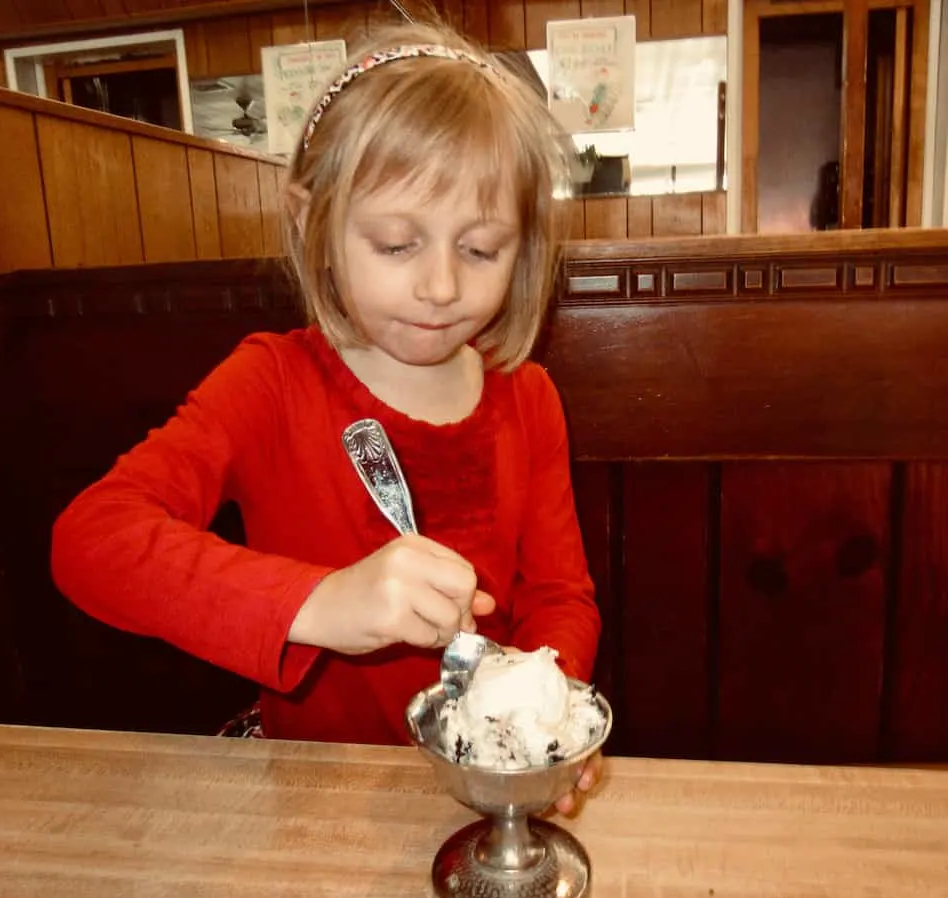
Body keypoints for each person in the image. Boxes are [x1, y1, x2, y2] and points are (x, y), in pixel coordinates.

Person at [51, 18, 603, 813]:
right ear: (316, 222)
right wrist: (319, 604)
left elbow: (560, 597)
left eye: (481, 250)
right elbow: (92, 539)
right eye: (394, 244)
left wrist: (549, 710)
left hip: (482, 788)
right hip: (312, 793)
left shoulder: (530, 399)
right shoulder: (272, 383)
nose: (442, 287)